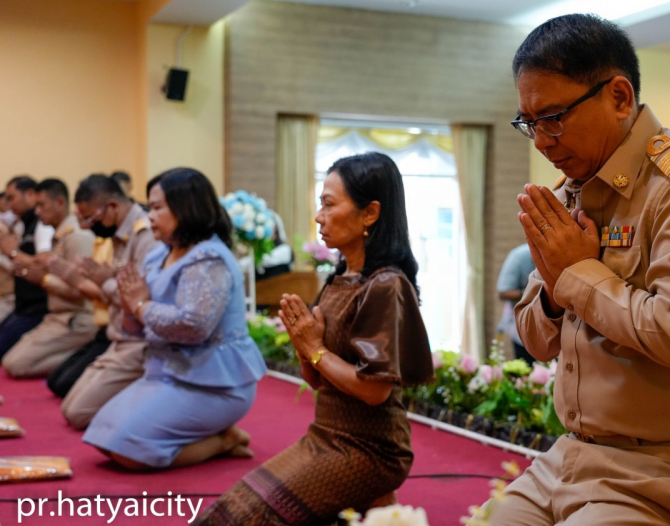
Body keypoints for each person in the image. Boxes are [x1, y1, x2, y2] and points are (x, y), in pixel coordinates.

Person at [484, 14, 670, 525]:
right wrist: (556, 290)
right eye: (529, 122)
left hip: (669, 469)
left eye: (553, 117)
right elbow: (536, 340)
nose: (541, 141)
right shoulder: (572, 192)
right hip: (571, 454)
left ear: (619, 97)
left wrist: (578, 273)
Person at [195, 152, 434, 525]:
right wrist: (304, 348)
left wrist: (314, 348)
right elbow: (318, 381)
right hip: (326, 435)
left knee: (248, 519)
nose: (319, 216)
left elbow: (375, 390)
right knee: (225, 513)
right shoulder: (338, 279)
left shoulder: (385, 284)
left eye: (328, 204)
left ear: (370, 213)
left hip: (370, 449)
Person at [82, 168, 267, 470]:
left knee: (130, 451)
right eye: (149, 207)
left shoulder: (209, 258)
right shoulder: (158, 255)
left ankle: (225, 440)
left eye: (157, 208)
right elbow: (137, 330)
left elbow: (193, 326)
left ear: (186, 207)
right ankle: (211, 436)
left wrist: (140, 305)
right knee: (102, 435)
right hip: (167, 373)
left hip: (215, 384)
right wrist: (130, 307)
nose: (149, 216)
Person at [53, 175, 157, 428]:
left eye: (90, 219)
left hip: (138, 342)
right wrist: (103, 278)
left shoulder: (145, 235)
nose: (88, 227)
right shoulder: (119, 233)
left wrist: (103, 282)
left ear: (112, 206)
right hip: (116, 337)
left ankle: (153, 407)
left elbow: (141, 299)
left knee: (78, 413)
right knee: (68, 404)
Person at [2, 179, 96, 378]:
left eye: (41, 205)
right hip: (57, 316)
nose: (36, 211)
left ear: (60, 203)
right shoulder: (60, 236)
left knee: (16, 364)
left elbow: (83, 290)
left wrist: (43, 280)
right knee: (10, 361)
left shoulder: (77, 236)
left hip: (77, 318)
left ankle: (86, 355)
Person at [0, 177, 55, 356]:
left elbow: (44, 265)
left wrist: (13, 253)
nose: (9, 204)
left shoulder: (42, 226)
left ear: (30, 195)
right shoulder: (25, 225)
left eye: (12, 197)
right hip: (23, 306)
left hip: (38, 308)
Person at [496, 243, 536, 364]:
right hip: (524, 324)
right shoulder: (519, 256)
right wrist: (533, 293)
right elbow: (503, 292)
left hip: (554, 325)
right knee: (525, 367)